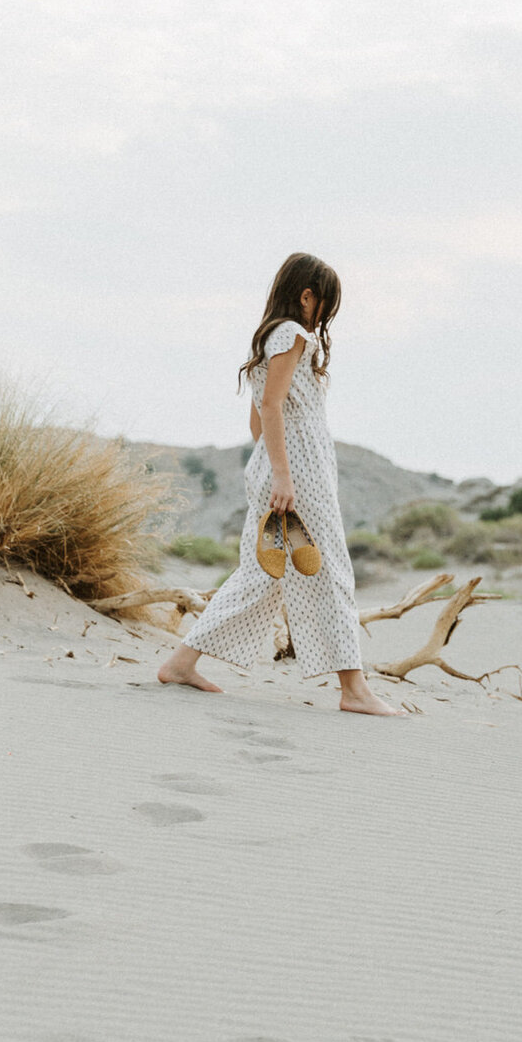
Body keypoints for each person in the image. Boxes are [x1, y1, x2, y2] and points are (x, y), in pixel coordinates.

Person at [157, 252, 404, 715]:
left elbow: (259, 417)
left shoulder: (266, 341)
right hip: (299, 473)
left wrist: (272, 469)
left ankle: (180, 662)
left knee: (260, 576)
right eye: (325, 303)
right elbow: (270, 409)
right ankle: (354, 691)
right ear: (307, 295)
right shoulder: (292, 335)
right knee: (331, 571)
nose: (326, 315)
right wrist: (287, 475)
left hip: (281, 469)